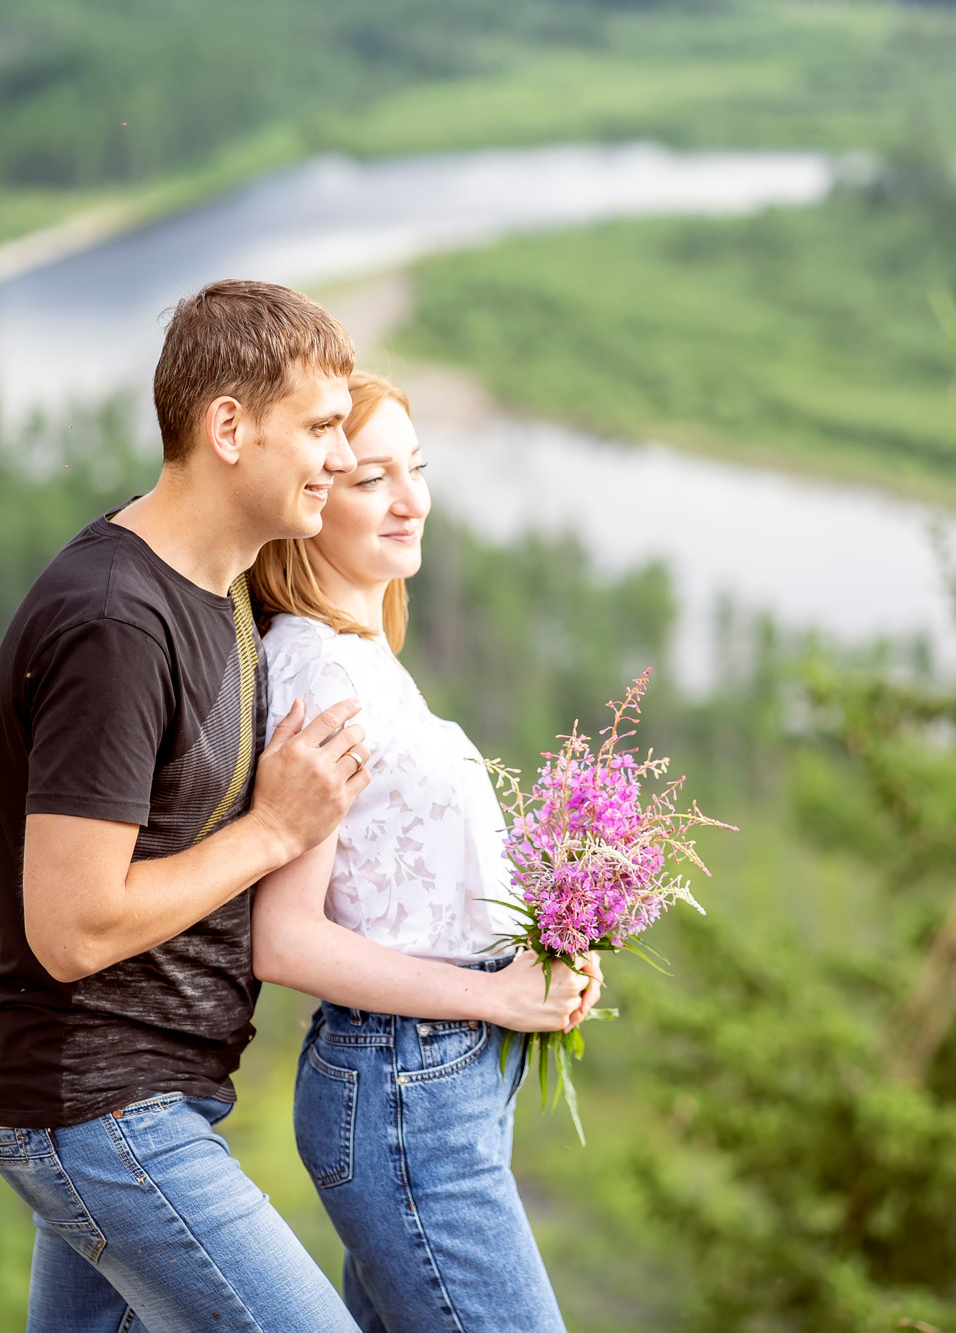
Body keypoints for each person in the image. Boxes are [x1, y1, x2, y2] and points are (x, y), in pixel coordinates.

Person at [0, 279, 375, 1333]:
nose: (342, 456)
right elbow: (70, 927)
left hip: (138, 1097)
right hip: (98, 1105)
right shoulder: (117, 622)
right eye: (321, 428)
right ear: (227, 426)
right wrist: (272, 832)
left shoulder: (217, 577)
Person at [251, 371, 600, 1333]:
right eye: (372, 479)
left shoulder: (361, 655)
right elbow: (282, 940)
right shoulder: (320, 669)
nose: (416, 500)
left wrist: (546, 958)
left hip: (436, 1084)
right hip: (405, 1091)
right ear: (309, 499)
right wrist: (492, 994)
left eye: (419, 468)